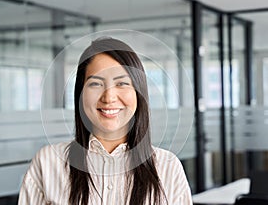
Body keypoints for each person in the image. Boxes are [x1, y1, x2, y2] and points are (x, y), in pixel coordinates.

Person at [18, 37, 192, 205]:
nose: (108, 97)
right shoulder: (48, 162)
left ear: (138, 93)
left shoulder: (167, 168)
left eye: (122, 84)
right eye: (96, 84)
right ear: (80, 94)